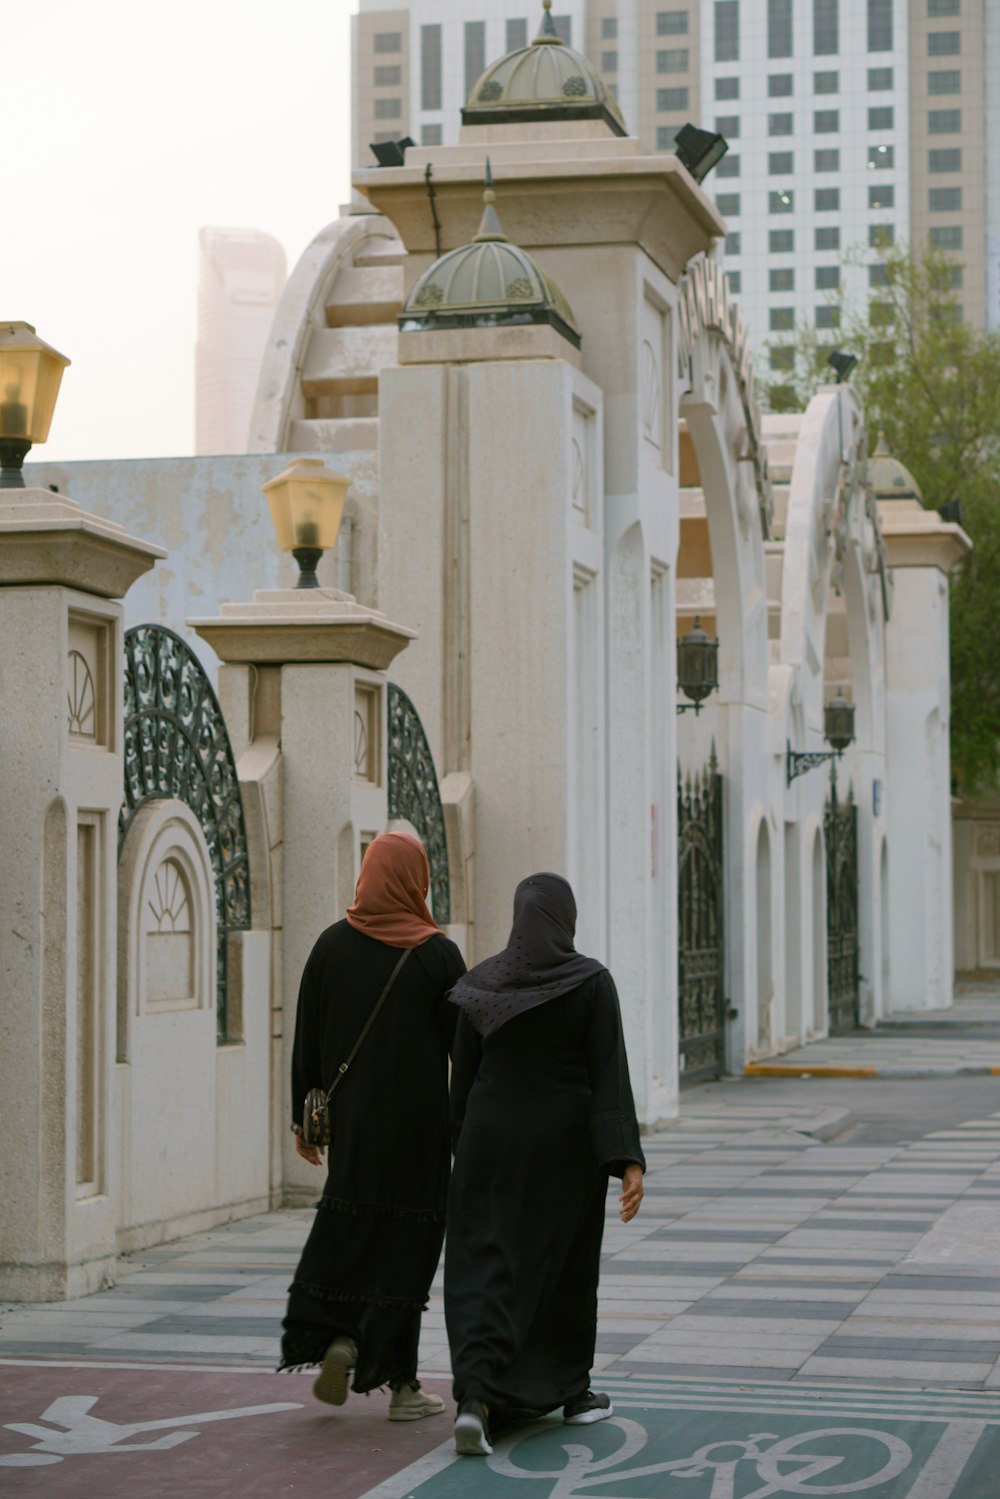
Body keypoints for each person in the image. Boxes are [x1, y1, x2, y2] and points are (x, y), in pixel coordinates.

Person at [444, 872, 645, 1456]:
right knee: (561, 1269)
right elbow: (609, 1073)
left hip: (488, 1147)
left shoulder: (477, 987)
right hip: (563, 1151)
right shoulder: (590, 981)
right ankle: (569, 1392)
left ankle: (477, 1399)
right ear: (565, 918)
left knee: (486, 1266)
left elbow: (461, 1082)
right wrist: (626, 1160)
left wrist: (465, 1154)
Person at [279, 830, 466, 1421]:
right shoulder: (439, 955)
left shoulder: (331, 946)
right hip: (420, 1131)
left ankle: (343, 1336)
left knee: (353, 1231)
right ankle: (403, 1387)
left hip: (356, 1128)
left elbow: (306, 1039)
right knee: (407, 1249)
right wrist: (468, 1127)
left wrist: (303, 1122)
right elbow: (463, 1052)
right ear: (416, 879)